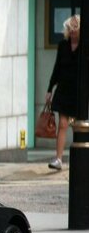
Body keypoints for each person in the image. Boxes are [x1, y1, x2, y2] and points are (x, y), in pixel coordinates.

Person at [45, 14, 81, 171]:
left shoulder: (85, 45)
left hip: (80, 91)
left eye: (75, 29)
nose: (72, 32)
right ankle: (58, 159)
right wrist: (49, 89)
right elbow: (57, 68)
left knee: (80, 126)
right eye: (70, 29)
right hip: (64, 89)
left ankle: (81, 158)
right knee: (63, 124)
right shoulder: (63, 45)